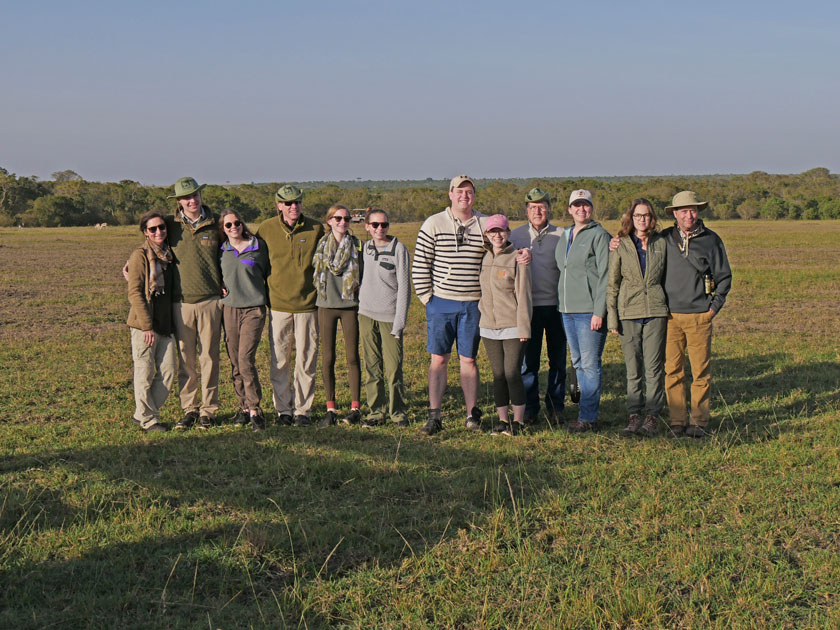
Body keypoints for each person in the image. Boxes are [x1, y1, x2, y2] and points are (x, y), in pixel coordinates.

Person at [412, 174, 531, 435]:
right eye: (459, 191)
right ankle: (435, 415)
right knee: (438, 359)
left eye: (469, 191)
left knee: (469, 359)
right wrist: (427, 298)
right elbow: (420, 263)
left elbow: (503, 241)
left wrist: (523, 252)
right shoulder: (434, 223)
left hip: (473, 305)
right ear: (450, 194)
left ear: (474, 195)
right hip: (441, 302)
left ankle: (471, 414)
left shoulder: (484, 223)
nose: (464, 195)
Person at [660, 191, 732, 438]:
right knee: (673, 371)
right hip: (669, 317)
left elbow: (724, 277)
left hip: (700, 316)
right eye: (682, 211)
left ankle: (698, 422)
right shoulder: (665, 238)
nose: (688, 215)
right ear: (675, 214)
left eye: (692, 210)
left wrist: (713, 307)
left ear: (698, 212)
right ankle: (677, 421)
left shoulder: (711, 240)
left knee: (701, 372)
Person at [256, 185, 325, 426]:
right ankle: (283, 410)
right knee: (280, 360)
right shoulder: (266, 229)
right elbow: (255, 262)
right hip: (278, 306)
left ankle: (302, 411)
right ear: (279, 205)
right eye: (287, 203)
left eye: (296, 202)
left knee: (306, 359)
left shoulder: (316, 228)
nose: (293, 206)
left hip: (308, 305)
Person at [606, 198, 668, 437]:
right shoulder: (620, 244)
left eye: (647, 216)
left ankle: (652, 416)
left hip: (655, 310)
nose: (642, 220)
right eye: (638, 215)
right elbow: (613, 283)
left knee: (654, 368)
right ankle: (634, 414)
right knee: (633, 368)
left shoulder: (662, 242)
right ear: (630, 218)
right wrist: (612, 317)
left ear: (652, 219)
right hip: (628, 312)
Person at [165, 177, 223, 430]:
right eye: (187, 197)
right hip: (181, 303)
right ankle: (190, 408)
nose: (192, 200)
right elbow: (151, 245)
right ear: (179, 201)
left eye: (195, 195)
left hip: (211, 300)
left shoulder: (217, 222)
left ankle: (209, 410)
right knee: (186, 359)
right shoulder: (170, 225)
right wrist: (131, 264)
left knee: (209, 357)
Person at [554, 189, 611, 432]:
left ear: (591, 208)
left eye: (585, 205)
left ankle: (588, 418)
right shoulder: (565, 234)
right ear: (569, 209)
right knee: (577, 362)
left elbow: (606, 276)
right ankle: (584, 413)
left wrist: (600, 311)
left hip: (589, 311)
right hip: (567, 310)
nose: (581, 209)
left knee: (589, 364)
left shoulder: (599, 235)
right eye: (576, 205)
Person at [509, 187, 566, 426]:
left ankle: (555, 407)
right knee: (528, 363)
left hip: (557, 306)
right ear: (526, 211)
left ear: (549, 209)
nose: (538, 211)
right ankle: (530, 408)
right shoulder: (516, 235)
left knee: (557, 361)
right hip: (528, 308)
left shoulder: (563, 234)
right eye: (533, 208)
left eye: (542, 207)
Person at [479, 215, 532, 436]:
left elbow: (524, 294)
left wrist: (524, 328)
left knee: (512, 373)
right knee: (498, 374)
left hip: (512, 325)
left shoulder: (517, 257)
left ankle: (518, 422)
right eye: (492, 232)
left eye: (501, 231)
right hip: (488, 326)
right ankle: (502, 421)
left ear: (508, 233)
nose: (497, 235)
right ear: (487, 235)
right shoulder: (483, 257)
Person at [357, 208, 411, 428]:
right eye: (376, 225)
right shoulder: (364, 248)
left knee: (393, 368)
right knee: (372, 366)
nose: (380, 229)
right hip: (366, 314)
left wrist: (399, 322)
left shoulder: (399, 249)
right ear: (368, 226)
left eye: (384, 225)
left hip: (390, 316)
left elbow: (405, 288)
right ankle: (376, 411)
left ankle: (397, 412)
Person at [218, 208, 269, 432]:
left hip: (253, 309)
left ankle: (255, 409)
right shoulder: (221, 250)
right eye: (228, 225)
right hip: (229, 309)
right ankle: (243, 408)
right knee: (235, 361)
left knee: (245, 358)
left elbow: (268, 272)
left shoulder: (258, 246)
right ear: (223, 229)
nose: (234, 227)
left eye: (237, 223)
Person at [126, 211, 177, 432]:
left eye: (162, 227)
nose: (158, 232)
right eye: (153, 229)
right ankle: (148, 420)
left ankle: (142, 413)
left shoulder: (169, 254)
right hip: (144, 324)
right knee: (144, 373)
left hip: (166, 323)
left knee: (169, 371)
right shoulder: (140, 256)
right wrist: (146, 326)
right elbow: (135, 292)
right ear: (145, 232)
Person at [313, 204, 363, 426]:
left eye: (347, 219)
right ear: (329, 221)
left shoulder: (357, 245)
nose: (343, 222)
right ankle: (330, 408)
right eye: (338, 218)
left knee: (352, 357)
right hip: (326, 305)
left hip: (349, 304)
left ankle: (355, 407)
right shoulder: (320, 245)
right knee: (328, 357)